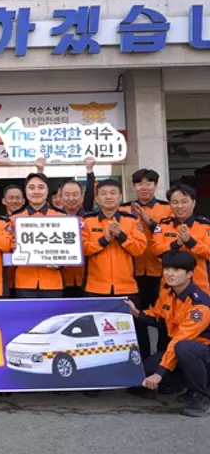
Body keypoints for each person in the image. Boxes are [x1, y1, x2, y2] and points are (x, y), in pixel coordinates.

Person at [126, 250, 210, 417]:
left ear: (189, 274)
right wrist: (137, 313)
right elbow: (158, 315)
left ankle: (201, 395)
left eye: (176, 270)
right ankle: (183, 384)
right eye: (166, 269)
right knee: (145, 370)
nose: (169, 274)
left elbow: (180, 339)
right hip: (180, 350)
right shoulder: (168, 293)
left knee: (183, 348)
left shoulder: (199, 304)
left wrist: (159, 374)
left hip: (202, 352)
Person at [121, 168, 174, 351]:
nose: (144, 187)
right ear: (134, 186)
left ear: (155, 185)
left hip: (160, 272)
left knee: (164, 316)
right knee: (137, 318)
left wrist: (148, 220)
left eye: (148, 183)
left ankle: (163, 356)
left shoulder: (167, 208)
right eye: (139, 183)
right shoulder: (123, 209)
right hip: (133, 273)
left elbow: (170, 234)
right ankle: (142, 357)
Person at [82, 179, 147, 299]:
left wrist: (121, 236)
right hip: (95, 287)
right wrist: (104, 240)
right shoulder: (87, 221)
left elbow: (139, 249)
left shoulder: (131, 220)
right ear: (97, 198)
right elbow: (82, 250)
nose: (108, 197)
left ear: (120, 197)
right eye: (103, 193)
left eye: (113, 193)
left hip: (127, 287)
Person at [11, 173, 66, 298]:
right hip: (24, 283)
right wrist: (12, 248)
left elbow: (70, 248)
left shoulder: (61, 217)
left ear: (47, 191)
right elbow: (6, 247)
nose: (36, 191)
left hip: (53, 282)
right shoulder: (14, 218)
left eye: (41, 187)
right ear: (25, 192)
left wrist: (61, 263)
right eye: (31, 188)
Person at [152, 184, 210, 293]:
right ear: (170, 204)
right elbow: (156, 250)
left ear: (193, 203)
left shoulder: (205, 226)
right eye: (175, 202)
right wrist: (176, 244)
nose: (179, 206)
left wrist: (190, 242)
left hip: (198, 284)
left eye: (184, 202)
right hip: (169, 286)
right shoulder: (163, 225)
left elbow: (208, 252)